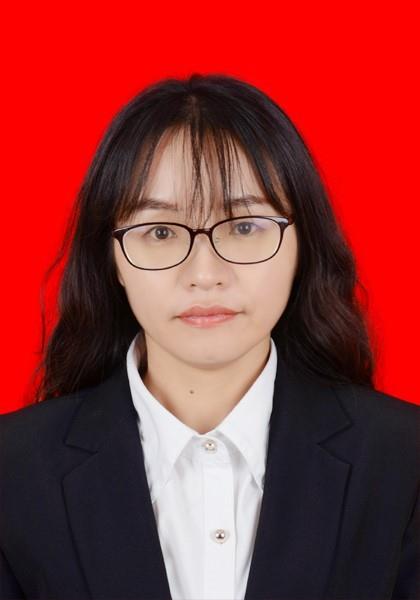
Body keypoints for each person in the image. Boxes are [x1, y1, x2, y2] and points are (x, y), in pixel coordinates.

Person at [0, 73, 418, 600]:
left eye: (244, 226)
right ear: (112, 260)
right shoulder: (12, 471)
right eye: (160, 231)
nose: (204, 274)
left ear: (302, 247)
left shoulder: (405, 461)